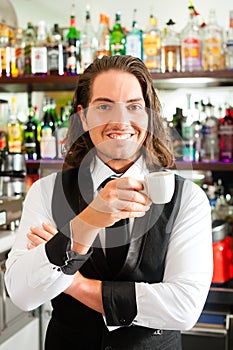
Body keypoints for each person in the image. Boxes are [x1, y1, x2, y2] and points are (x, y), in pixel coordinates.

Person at [5, 55, 213, 350]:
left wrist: (73, 282)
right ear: (83, 116)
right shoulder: (46, 192)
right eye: (104, 106)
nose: (121, 121)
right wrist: (87, 221)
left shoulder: (189, 199)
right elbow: (22, 294)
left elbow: (184, 308)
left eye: (134, 106)